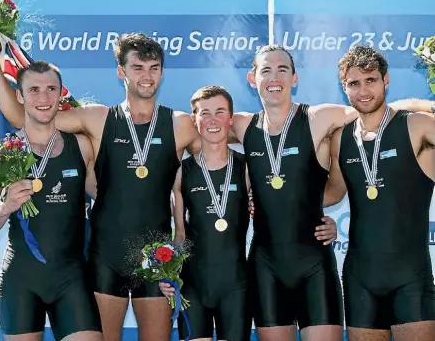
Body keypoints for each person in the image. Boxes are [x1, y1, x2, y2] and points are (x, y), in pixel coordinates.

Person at [0, 33, 200, 341]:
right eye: (137, 67)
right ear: (121, 71)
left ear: (162, 71)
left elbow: (215, 160)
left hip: (157, 256)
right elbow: (22, 117)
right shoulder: (97, 118)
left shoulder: (181, 123)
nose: (146, 76)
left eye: (153, 67)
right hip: (106, 256)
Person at [227, 44, 435, 341]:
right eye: (266, 70)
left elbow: (370, 110)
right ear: (252, 78)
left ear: (295, 78)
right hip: (288, 267)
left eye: (282, 70)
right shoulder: (241, 124)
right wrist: (255, 199)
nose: (275, 77)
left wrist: (423, 107)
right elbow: (202, 132)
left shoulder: (322, 118)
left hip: (365, 270)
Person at [159, 85, 339, 341]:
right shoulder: (180, 172)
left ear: (231, 119)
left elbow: (285, 203)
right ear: (194, 120)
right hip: (192, 286)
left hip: (236, 287)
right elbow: (179, 235)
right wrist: (167, 273)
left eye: (220, 112)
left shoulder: (247, 168)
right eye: (205, 113)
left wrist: (322, 220)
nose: (212, 120)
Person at [324, 45, 435, 341]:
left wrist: (421, 105)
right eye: (354, 83)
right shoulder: (341, 138)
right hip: (360, 279)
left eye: (371, 80)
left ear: (385, 81)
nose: (363, 91)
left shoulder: (417, 126)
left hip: (410, 279)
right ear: (344, 87)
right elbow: (331, 193)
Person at [0, 61, 102, 341]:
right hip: (21, 279)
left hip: (71, 278)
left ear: (60, 94)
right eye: (33, 90)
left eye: (50, 89)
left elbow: (105, 198)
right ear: (19, 96)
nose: (43, 98)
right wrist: (5, 207)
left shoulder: (81, 145)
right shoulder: (4, 154)